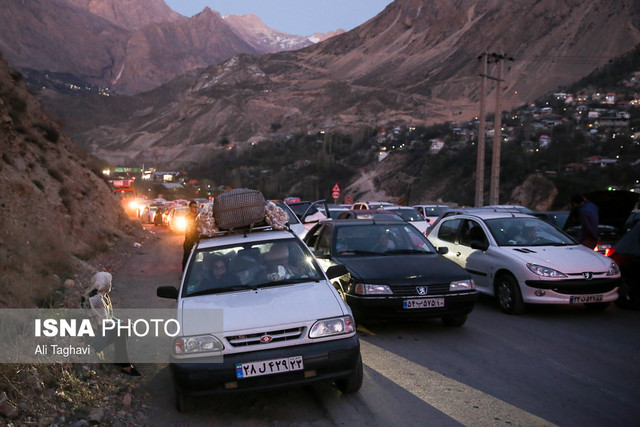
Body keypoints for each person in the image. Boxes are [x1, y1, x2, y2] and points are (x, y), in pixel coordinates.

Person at [82, 272, 141, 376]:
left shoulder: (104, 297)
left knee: (122, 327)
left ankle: (121, 360)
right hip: (95, 340)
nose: (110, 284)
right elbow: (98, 320)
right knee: (121, 328)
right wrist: (121, 325)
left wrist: (121, 322)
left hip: (104, 333)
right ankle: (124, 364)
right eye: (109, 282)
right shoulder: (95, 298)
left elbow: (108, 318)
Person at [182, 200, 199, 271]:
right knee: (187, 258)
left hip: (197, 240)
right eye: (194, 207)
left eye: (196, 207)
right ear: (190, 208)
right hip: (189, 241)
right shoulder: (187, 217)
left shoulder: (199, 217)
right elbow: (190, 227)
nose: (195, 208)